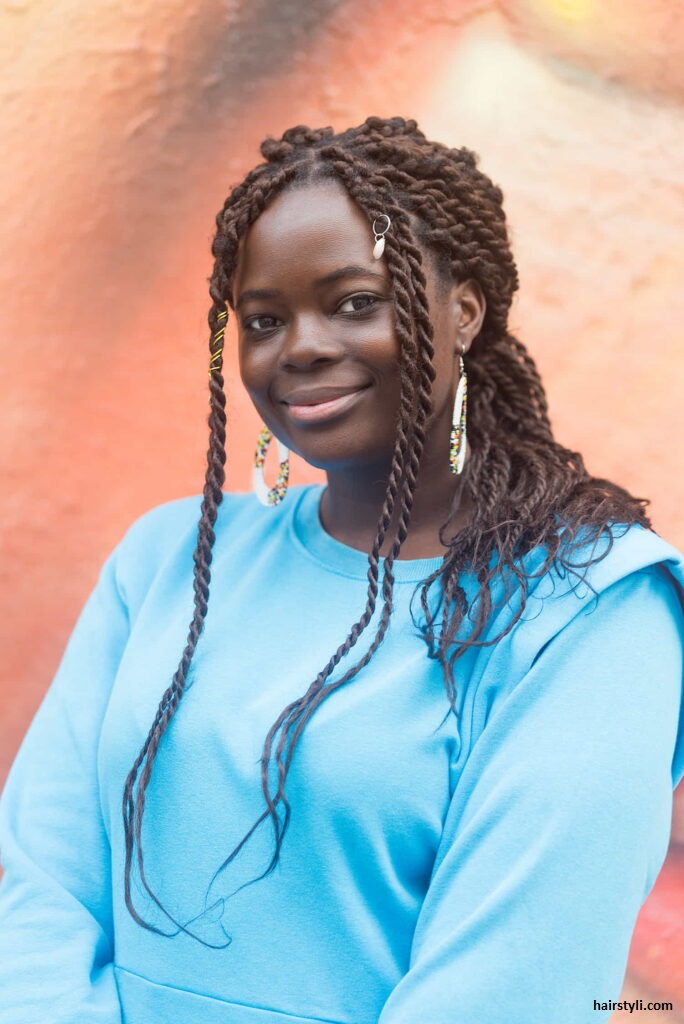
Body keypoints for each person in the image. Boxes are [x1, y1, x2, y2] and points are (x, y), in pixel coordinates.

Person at [1, 115, 682, 1024]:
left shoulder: (591, 610)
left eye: (356, 300)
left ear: (466, 310)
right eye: (265, 320)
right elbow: (37, 884)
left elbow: (511, 990)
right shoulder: (168, 561)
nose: (302, 347)